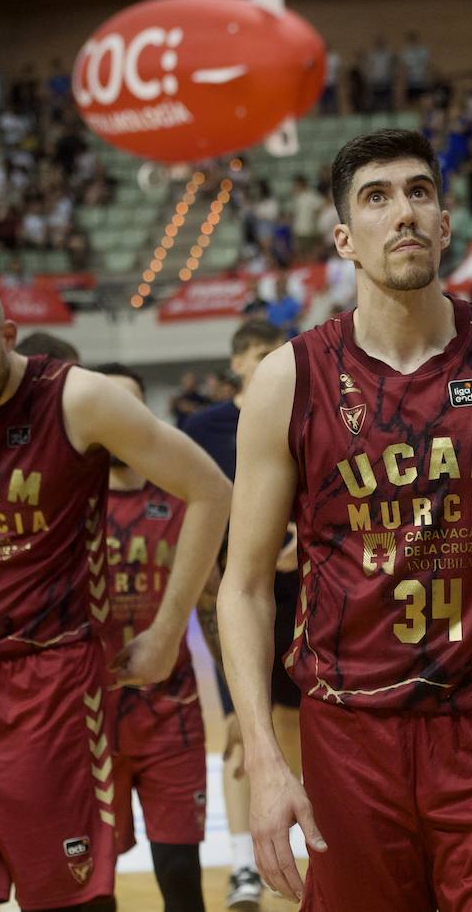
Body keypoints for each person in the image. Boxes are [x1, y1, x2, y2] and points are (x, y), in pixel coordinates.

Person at [216, 129, 472, 907]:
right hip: (350, 735)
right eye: (377, 197)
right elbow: (245, 585)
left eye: (420, 193)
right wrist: (264, 759)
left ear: (446, 222)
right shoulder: (288, 380)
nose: (404, 213)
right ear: (344, 239)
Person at [0, 272, 231, 912]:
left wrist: (162, 633)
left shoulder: (79, 399)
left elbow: (211, 490)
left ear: (9, 337)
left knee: (70, 902)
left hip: (51, 684)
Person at [180, 319, 298, 911]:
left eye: (278, 351)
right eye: (259, 353)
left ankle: (296, 849)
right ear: (235, 363)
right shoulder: (203, 428)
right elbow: (188, 512)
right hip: (236, 597)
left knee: (300, 730)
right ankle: (243, 864)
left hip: (306, 597)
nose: (271, 360)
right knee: (240, 735)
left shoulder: (308, 409)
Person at [95, 364, 209, 912]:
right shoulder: (69, 502)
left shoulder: (188, 495)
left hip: (172, 711)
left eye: (130, 408)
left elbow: (212, 603)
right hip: (89, 718)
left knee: (181, 871)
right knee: (91, 883)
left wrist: (237, 708)